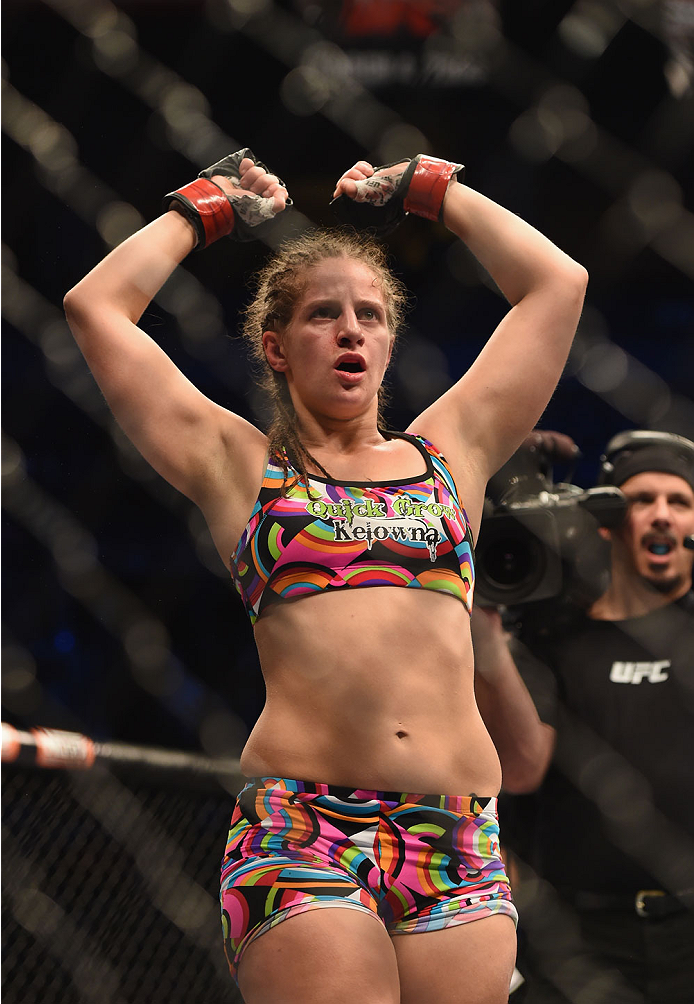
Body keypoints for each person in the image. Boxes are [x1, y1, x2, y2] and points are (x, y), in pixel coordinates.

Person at [63, 146, 588, 1004]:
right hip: (304, 828)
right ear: (275, 346)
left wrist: (430, 190)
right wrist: (207, 207)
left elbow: (558, 285)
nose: (351, 330)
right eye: (323, 315)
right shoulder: (242, 464)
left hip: (455, 833)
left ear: (389, 344)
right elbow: (97, 308)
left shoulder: (450, 453)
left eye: (372, 316)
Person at [471, 430, 694, 1004]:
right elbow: (521, 769)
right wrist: (490, 640)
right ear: (607, 520)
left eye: (680, 502)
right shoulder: (553, 640)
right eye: (642, 500)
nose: (662, 516)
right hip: (578, 938)